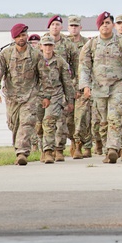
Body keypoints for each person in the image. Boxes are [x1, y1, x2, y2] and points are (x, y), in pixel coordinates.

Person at [79, 12, 122, 164]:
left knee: (114, 118)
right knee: (103, 121)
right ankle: (108, 150)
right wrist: (85, 86)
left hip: (118, 87)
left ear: (112, 25)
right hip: (99, 88)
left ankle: (113, 149)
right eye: (102, 23)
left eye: (107, 22)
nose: (105, 25)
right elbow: (84, 67)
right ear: (98, 26)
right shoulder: (91, 45)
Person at [0, 23, 42, 165]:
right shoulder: (5, 54)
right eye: (18, 36)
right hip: (12, 97)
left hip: (30, 95)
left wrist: (46, 96)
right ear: (13, 37)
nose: (21, 38)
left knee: (27, 123)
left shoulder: (36, 54)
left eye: (24, 35)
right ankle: (18, 148)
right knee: (14, 125)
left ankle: (22, 152)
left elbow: (44, 77)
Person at [44, 15, 79, 161]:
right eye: (52, 24)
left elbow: (76, 65)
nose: (55, 27)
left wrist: (75, 86)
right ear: (49, 27)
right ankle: (45, 149)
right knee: (44, 122)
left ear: (61, 27)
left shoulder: (68, 44)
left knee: (61, 120)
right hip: (43, 90)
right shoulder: (43, 42)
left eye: (58, 24)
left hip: (62, 88)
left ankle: (59, 149)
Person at [36, 34, 75, 164]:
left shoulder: (59, 61)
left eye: (50, 45)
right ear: (41, 46)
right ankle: (43, 150)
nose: (48, 47)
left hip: (55, 95)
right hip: (38, 96)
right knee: (38, 125)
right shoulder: (35, 60)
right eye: (45, 45)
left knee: (49, 122)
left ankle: (49, 151)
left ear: (54, 46)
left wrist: (70, 100)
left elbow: (67, 82)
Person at [64, 15, 92, 158]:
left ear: (80, 27)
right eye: (71, 26)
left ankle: (83, 145)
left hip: (82, 87)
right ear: (68, 28)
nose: (74, 28)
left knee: (82, 117)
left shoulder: (87, 43)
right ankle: (74, 142)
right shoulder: (64, 43)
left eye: (76, 26)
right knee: (68, 120)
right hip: (67, 88)